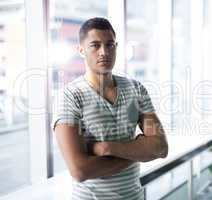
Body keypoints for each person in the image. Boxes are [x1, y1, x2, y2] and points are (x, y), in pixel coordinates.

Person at [52, 17, 168, 200]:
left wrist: (106, 148)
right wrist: (139, 152)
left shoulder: (136, 88)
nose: (104, 52)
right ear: (81, 50)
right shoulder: (70, 96)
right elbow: (80, 170)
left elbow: (161, 147)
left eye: (110, 44)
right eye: (95, 45)